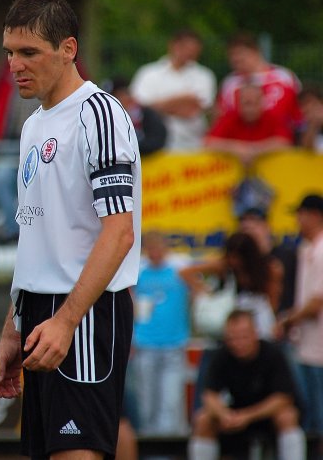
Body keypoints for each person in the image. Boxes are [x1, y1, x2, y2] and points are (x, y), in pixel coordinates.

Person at [0, 0, 142, 460]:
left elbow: (119, 232)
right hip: (39, 310)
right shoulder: (34, 124)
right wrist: (14, 325)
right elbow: (37, 237)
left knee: (77, 453)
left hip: (84, 311)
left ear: (68, 49)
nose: (15, 65)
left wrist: (67, 320)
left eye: (29, 52)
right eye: (10, 52)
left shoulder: (99, 114)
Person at [187, 310, 306, 460]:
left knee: (287, 416)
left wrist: (248, 416)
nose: (238, 343)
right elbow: (209, 395)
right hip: (233, 414)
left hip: (265, 416)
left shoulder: (274, 355)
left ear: (255, 333)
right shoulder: (220, 356)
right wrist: (224, 414)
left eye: (244, 337)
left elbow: (283, 398)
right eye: (233, 338)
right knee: (203, 420)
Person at [132, 231, 192, 436]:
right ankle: (148, 444)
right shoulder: (139, 273)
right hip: (145, 344)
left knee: (171, 401)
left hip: (174, 344)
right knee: (146, 400)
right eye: (151, 248)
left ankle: (168, 445)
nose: (155, 252)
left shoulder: (179, 270)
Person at [275, 193, 323, 437]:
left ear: (314, 216)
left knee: (318, 415)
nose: (297, 220)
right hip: (307, 343)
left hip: (318, 347)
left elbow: (316, 303)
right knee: (310, 414)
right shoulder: (308, 249)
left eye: (301, 215)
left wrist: (286, 320)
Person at [0, 59, 40, 245]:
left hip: (45, 150)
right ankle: (15, 230)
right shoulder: (8, 79)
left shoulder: (53, 81)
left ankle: (38, 230)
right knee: (1, 176)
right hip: (15, 147)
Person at [180, 232, 282, 340]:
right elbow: (186, 272)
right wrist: (204, 291)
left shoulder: (269, 269)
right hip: (233, 323)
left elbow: (273, 300)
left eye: (238, 258)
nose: (234, 261)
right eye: (231, 257)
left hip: (260, 322)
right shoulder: (223, 267)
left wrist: (273, 323)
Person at [129, 29, 217, 151]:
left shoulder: (204, 75)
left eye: (193, 51)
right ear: (173, 45)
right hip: (153, 148)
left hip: (193, 145)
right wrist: (184, 99)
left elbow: (192, 111)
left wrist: (157, 108)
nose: (189, 53)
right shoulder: (148, 73)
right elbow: (138, 109)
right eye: (185, 48)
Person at [217, 32, 303, 136]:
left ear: (256, 51)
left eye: (240, 53)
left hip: (280, 138)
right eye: (232, 54)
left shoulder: (283, 77)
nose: (236, 58)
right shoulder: (230, 83)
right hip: (240, 140)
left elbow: (299, 109)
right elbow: (221, 115)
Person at [205, 82, 293, 166]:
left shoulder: (273, 117)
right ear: (238, 103)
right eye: (247, 103)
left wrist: (253, 151)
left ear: (262, 102)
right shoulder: (228, 118)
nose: (250, 109)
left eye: (255, 103)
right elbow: (210, 143)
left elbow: (285, 142)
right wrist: (236, 148)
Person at [110, 79, 168, 157]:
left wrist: (130, 147)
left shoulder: (146, 114)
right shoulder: (110, 118)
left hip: (150, 161)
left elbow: (157, 140)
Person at [298, 85, 323, 152]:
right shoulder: (299, 127)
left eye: (310, 102)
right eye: (303, 104)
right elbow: (306, 149)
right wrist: (313, 124)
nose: (307, 108)